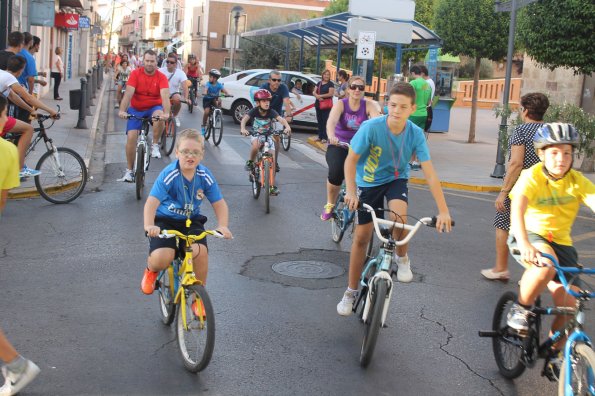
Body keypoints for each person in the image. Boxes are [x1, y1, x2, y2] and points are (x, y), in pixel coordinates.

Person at [336, 82, 453, 316]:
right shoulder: (371, 127)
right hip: (368, 183)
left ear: (413, 108)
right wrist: (350, 191)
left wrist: (444, 211)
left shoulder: (416, 134)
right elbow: (350, 160)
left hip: (396, 179)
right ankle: (350, 291)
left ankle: (402, 257)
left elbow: (430, 174)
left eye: (402, 106)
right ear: (387, 104)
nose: (396, 110)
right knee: (362, 236)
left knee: (399, 218)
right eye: (392, 105)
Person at [506, 123, 595, 375]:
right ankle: (520, 309)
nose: (561, 159)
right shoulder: (532, 176)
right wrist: (523, 243)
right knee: (546, 262)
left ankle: (556, 353)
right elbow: (518, 209)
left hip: (563, 244)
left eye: (567, 153)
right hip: (531, 234)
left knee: (571, 304)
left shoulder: (577, 181)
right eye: (554, 153)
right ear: (542, 153)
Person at [142, 129, 233, 294]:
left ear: (202, 155)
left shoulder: (204, 175)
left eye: (195, 152)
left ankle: (198, 294)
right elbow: (151, 203)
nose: (190, 156)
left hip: (191, 220)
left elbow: (219, 203)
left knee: (200, 253)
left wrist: (223, 226)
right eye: (185, 152)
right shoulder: (169, 174)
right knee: (162, 258)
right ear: (177, 153)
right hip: (165, 220)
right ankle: (150, 270)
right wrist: (149, 226)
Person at [481, 93, 549, 281]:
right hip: (544, 188)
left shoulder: (521, 131)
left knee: (502, 224)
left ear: (525, 110)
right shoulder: (549, 130)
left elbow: (516, 163)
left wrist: (503, 192)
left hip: (521, 189)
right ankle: (533, 274)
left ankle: (501, 268)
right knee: (536, 230)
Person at [0, 94, 41, 396]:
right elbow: (2, 202)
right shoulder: (8, 152)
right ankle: (15, 365)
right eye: (5, 117)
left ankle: (16, 365)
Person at [320, 75, 381, 221]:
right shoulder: (341, 104)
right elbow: (331, 122)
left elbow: (377, 121)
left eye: (361, 87)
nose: (357, 90)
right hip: (340, 144)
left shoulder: (369, 105)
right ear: (348, 89)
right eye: (353, 87)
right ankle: (330, 203)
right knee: (336, 173)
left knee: (372, 174)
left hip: (360, 147)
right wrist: (331, 136)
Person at [1, 56, 59, 176]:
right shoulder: (9, 78)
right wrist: (51, 111)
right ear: (21, 70)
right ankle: (20, 169)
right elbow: (28, 97)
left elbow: (13, 97)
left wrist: (31, 110)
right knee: (28, 129)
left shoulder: (3, 75)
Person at [118, 49, 171, 181]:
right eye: (147, 61)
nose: (149, 63)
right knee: (131, 137)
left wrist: (167, 113)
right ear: (143, 61)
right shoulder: (135, 74)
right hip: (136, 108)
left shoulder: (161, 77)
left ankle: (154, 145)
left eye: (152, 61)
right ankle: (129, 171)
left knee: (158, 116)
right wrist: (122, 110)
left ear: (156, 62)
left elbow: (165, 97)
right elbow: (128, 94)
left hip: (154, 107)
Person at [240, 89, 291, 196]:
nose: (267, 102)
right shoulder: (254, 111)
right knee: (255, 146)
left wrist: (287, 126)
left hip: (268, 136)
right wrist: (243, 129)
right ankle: (250, 162)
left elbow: (281, 119)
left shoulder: (271, 111)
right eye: (263, 101)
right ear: (258, 103)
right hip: (256, 135)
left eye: (268, 100)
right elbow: (244, 120)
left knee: (272, 160)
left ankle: (271, 186)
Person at [260, 70, 293, 173]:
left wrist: (289, 115)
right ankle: (258, 157)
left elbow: (286, 102)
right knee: (259, 137)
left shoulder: (283, 88)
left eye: (279, 80)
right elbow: (258, 102)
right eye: (274, 80)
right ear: (269, 80)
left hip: (276, 116)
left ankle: (275, 161)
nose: (277, 82)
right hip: (263, 115)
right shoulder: (264, 87)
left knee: (277, 138)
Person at [159, 53, 188, 127]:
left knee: (178, 99)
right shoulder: (160, 71)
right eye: (167, 61)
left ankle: (175, 116)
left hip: (174, 93)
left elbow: (185, 86)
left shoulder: (180, 73)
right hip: (162, 94)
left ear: (175, 64)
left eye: (171, 62)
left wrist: (186, 98)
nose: (169, 64)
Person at [201, 68, 230, 135]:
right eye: (209, 76)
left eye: (210, 77)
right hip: (207, 100)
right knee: (206, 112)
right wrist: (205, 92)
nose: (209, 78)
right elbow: (206, 89)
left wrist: (228, 94)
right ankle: (203, 125)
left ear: (215, 78)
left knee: (219, 100)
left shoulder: (219, 85)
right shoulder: (208, 84)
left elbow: (224, 90)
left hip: (214, 99)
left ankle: (217, 114)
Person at [313, 69, 335, 143]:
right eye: (325, 74)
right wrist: (317, 96)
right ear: (322, 75)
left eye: (328, 74)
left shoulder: (331, 84)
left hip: (326, 105)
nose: (326, 76)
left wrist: (320, 96)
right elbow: (314, 92)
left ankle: (325, 138)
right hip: (318, 104)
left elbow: (330, 94)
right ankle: (320, 136)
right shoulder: (319, 83)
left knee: (325, 121)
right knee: (319, 121)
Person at [419, 65, 435, 133]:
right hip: (428, 108)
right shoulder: (430, 81)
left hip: (425, 109)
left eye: (418, 74)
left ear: (422, 73)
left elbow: (423, 96)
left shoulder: (426, 83)